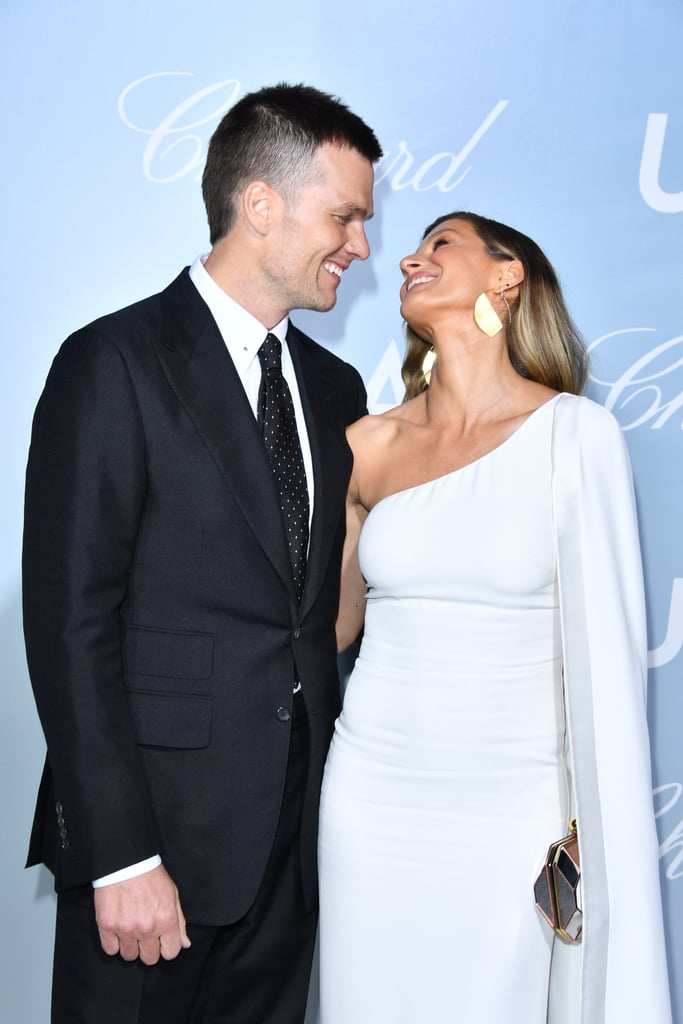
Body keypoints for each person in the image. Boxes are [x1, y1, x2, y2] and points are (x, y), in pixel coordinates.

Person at [22, 83, 382, 1024]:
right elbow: (69, 624)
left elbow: (328, 618)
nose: (362, 245)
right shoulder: (113, 362)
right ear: (259, 204)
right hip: (154, 861)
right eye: (343, 216)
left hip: (291, 863)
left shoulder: (339, 389)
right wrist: (120, 854)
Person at [317, 211, 672, 1023]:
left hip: (512, 804)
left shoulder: (573, 437)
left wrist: (596, 829)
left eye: (441, 244)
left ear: (505, 277)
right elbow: (331, 629)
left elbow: (607, 662)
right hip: (371, 798)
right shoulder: (365, 445)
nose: (408, 258)